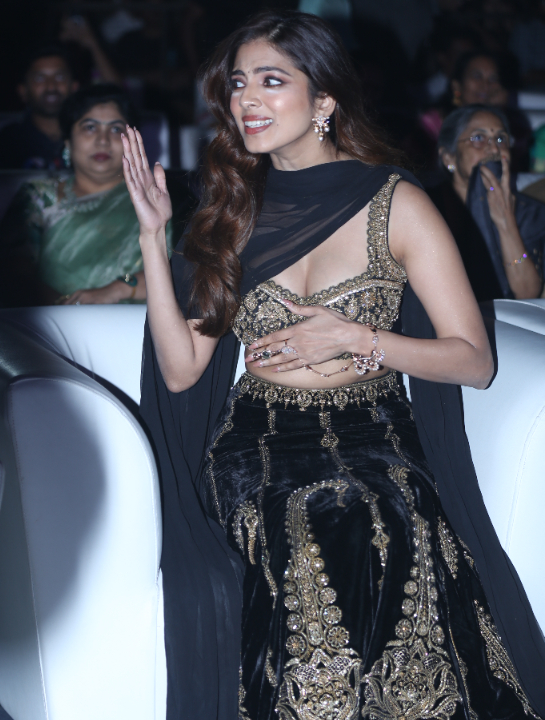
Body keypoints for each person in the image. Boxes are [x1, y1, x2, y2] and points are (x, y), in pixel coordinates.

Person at [127, 11, 545, 719]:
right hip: (257, 439)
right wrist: (151, 234)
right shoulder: (232, 208)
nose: (247, 99)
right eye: (238, 83)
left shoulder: (396, 204)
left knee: (381, 511)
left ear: (323, 100)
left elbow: (473, 362)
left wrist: (356, 338)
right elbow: (180, 370)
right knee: (296, 516)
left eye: (271, 81)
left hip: (373, 430)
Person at [0, 84, 170, 307]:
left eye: (116, 129)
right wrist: (69, 310)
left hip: (144, 322)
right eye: (90, 127)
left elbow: (185, 270)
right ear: (68, 141)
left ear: (133, 141)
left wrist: (120, 288)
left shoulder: (158, 198)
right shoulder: (38, 198)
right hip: (52, 321)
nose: (103, 140)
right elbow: (12, 274)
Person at [429, 105, 544, 301]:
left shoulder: (531, 213)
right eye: (478, 138)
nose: (494, 149)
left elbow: (526, 294)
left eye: (501, 139)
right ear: (449, 157)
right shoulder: (428, 206)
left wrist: (505, 221)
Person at [0, 46, 78, 171]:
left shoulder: (90, 135)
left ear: (74, 87)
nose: (51, 87)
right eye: (40, 78)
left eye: (60, 77)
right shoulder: (9, 142)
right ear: (23, 91)